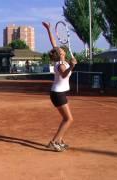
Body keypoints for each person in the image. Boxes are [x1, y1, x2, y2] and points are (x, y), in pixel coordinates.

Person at [42, 22, 77, 152]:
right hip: (58, 94)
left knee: (66, 118)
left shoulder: (60, 59)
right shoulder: (61, 64)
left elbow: (53, 42)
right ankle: (54, 142)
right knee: (69, 119)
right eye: (60, 49)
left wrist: (48, 29)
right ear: (60, 54)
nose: (61, 48)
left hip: (58, 93)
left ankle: (60, 141)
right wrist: (72, 66)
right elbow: (63, 75)